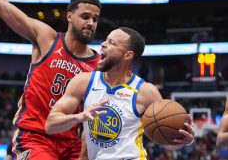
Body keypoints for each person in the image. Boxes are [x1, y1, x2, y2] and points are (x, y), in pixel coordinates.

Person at [0, 0, 101, 160]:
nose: (90, 23)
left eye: (95, 19)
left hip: (71, 143)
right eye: (85, 16)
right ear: (69, 16)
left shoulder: (98, 64)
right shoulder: (47, 38)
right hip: (35, 135)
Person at [45, 27, 195, 160]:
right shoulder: (83, 82)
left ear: (127, 55)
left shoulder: (146, 92)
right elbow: (51, 125)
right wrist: (79, 117)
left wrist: (182, 142)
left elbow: (162, 138)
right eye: (105, 40)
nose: (103, 44)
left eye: (111, 43)